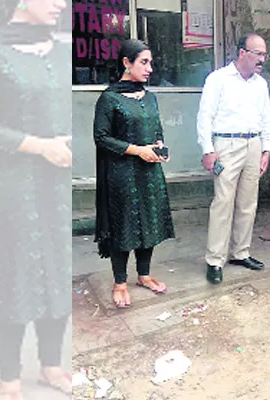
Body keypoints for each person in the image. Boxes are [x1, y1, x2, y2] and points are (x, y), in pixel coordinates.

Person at [0, 1, 71, 399]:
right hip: (9, 187)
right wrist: (38, 145)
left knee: (56, 272)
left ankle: (51, 365)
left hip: (55, 186)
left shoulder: (58, 50)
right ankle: (9, 376)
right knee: (14, 275)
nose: (62, 4)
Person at [93, 40, 175, 308]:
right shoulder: (109, 99)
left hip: (148, 171)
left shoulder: (149, 97)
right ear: (126, 63)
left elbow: (157, 129)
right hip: (121, 174)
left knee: (149, 222)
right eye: (144, 62)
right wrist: (137, 150)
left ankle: (144, 275)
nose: (149, 68)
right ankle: (119, 282)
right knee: (124, 225)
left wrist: (159, 147)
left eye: (151, 63)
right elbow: (101, 137)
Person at [196, 33, 270, 284]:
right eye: (257, 53)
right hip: (226, 144)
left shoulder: (260, 84)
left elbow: (266, 118)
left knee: (248, 202)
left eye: (264, 54)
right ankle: (215, 260)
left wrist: (266, 149)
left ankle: (241, 252)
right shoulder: (218, 79)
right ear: (242, 52)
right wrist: (207, 149)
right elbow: (204, 116)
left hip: (253, 143)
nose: (262, 59)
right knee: (223, 202)